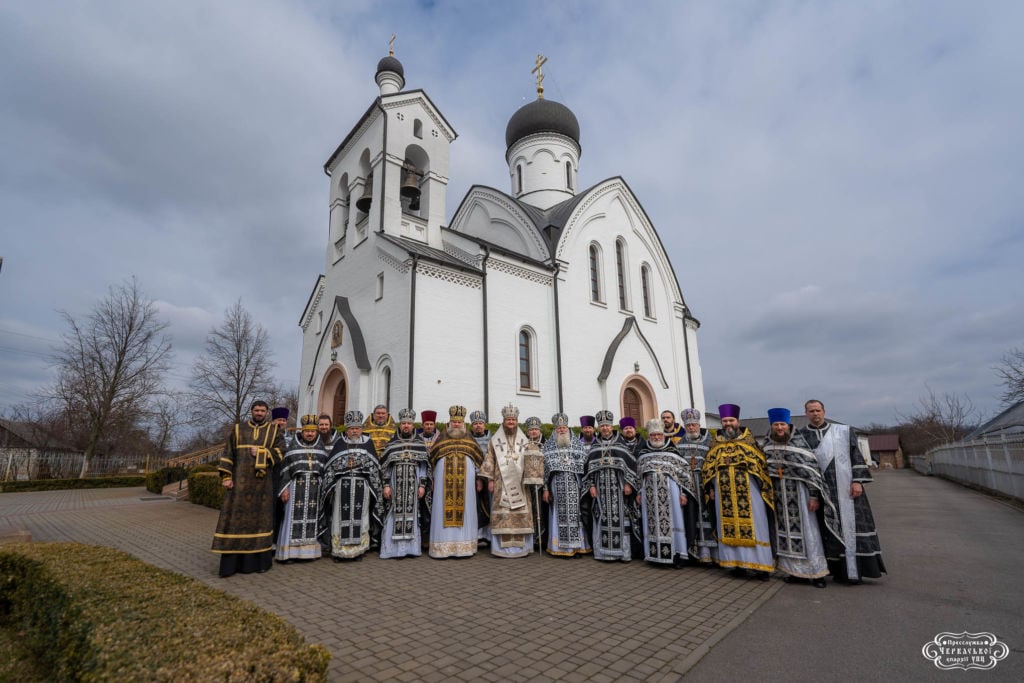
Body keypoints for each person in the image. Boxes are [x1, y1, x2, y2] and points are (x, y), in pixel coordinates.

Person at [799, 399, 886, 584]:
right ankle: (836, 570)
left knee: (854, 527)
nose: (815, 414)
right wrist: (812, 493)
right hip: (822, 491)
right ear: (806, 413)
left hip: (846, 488)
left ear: (824, 411)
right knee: (828, 529)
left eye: (818, 410)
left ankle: (855, 571)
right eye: (811, 411)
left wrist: (857, 481)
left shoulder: (843, 431)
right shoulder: (801, 436)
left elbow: (856, 455)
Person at [761, 408, 843, 588]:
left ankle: (816, 573)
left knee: (809, 534)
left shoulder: (799, 445)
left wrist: (814, 496)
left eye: (782, 424)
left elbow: (812, 473)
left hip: (801, 496)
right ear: (772, 426)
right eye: (776, 425)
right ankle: (794, 571)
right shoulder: (767, 447)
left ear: (788, 426)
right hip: (780, 499)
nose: (779, 428)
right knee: (785, 536)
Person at [211, 400, 286, 577]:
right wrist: (227, 476)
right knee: (235, 522)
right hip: (239, 486)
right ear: (251, 411)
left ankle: (258, 564)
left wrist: (262, 452)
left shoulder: (274, 430)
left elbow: (282, 452)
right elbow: (228, 453)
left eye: (262, 411)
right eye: (256, 410)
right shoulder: (238, 429)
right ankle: (230, 566)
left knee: (260, 523)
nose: (259, 413)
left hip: (262, 486)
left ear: (267, 413)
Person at [702, 404, 775, 579]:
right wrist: (710, 487)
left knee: (757, 527)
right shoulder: (715, 442)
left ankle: (761, 566)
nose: (728, 424)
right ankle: (735, 564)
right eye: (725, 421)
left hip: (750, 493)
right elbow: (707, 468)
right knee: (727, 526)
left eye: (731, 420)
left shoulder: (749, 441)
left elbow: (760, 465)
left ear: (738, 421)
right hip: (723, 494)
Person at [478, 403, 544, 558]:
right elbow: (490, 459)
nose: (511, 422)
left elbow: (531, 461)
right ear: (504, 421)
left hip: (520, 483)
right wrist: (490, 480)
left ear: (517, 421)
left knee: (519, 513)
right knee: (504, 514)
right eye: (508, 420)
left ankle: (521, 548)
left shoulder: (524, 439)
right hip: (501, 483)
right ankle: (502, 549)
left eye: (513, 420)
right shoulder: (495, 440)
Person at [321, 410, 383, 560]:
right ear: (347, 429)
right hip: (342, 486)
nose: (354, 431)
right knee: (339, 518)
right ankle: (339, 551)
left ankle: (358, 550)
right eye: (351, 428)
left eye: (357, 428)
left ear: (361, 429)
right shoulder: (340, 443)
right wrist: (329, 487)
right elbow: (330, 467)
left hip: (362, 485)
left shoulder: (368, 443)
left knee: (362, 519)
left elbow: (374, 467)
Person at [427, 406, 485, 558]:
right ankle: (442, 547)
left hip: (466, 483)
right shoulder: (441, 438)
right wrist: (432, 479)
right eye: (454, 421)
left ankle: (464, 547)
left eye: (459, 422)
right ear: (450, 422)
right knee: (441, 508)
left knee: (466, 509)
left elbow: (480, 461)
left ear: (463, 423)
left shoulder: (469, 439)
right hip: (442, 482)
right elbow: (431, 460)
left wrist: (479, 479)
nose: (456, 424)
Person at [583, 409, 640, 561]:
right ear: (598, 428)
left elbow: (631, 466)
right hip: (600, 490)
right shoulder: (595, 447)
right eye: (602, 426)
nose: (605, 428)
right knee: (600, 518)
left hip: (619, 490)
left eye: (607, 426)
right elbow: (587, 470)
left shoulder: (620, 445)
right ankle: (603, 553)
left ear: (612, 427)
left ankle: (623, 553)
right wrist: (591, 486)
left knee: (621, 518)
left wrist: (629, 484)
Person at [636, 420, 695, 567]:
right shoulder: (643, 454)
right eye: (653, 435)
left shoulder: (673, 452)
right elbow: (639, 476)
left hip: (672, 496)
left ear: (664, 435)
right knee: (652, 525)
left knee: (675, 522)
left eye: (659, 434)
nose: (656, 437)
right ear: (649, 436)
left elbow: (684, 475)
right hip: (649, 497)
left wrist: (683, 494)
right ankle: (655, 555)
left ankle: (676, 555)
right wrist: (639, 492)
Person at [378, 409, 431, 558]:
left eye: (408, 423)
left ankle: (411, 549)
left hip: (413, 486)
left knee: (413, 515)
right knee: (392, 515)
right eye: (403, 423)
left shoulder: (419, 443)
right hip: (395, 486)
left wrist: (422, 485)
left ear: (413, 425)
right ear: (400, 425)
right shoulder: (392, 443)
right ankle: (391, 550)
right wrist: (386, 485)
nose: (406, 426)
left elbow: (423, 466)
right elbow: (385, 466)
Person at [275, 414, 329, 562]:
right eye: (307, 431)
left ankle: (308, 553)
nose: (310, 434)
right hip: (294, 489)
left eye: (313, 431)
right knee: (291, 519)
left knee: (313, 519)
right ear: (302, 432)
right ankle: (289, 554)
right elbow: (285, 471)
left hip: (314, 490)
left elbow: (325, 471)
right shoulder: (293, 448)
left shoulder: (321, 450)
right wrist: (284, 489)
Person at [541, 413, 591, 557]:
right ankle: (560, 548)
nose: (561, 430)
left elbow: (584, 466)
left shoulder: (577, 445)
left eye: (564, 427)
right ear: (555, 430)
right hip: (556, 486)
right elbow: (544, 471)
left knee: (576, 516)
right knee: (558, 515)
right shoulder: (548, 447)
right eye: (559, 428)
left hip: (575, 486)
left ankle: (577, 547)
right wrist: (545, 489)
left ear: (568, 429)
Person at [676, 408, 717, 564]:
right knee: (691, 520)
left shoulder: (709, 441)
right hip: (688, 489)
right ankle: (695, 554)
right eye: (689, 426)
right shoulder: (680, 444)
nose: (691, 428)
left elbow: (713, 465)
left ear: (699, 425)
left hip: (705, 486)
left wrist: (712, 487)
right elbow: (677, 469)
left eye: (694, 425)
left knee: (709, 519)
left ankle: (711, 554)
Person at [469, 410, 492, 543]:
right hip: (473, 478)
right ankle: (477, 536)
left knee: (488, 506)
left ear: (484, 425)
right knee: (476, 507)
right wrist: (477, 477)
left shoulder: (492, 440)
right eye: (476, 423)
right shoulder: (468, 440)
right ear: (472, 425)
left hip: (488, 478)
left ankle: (488, 536)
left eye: (480, 423)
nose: (478, 426)